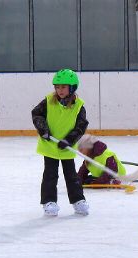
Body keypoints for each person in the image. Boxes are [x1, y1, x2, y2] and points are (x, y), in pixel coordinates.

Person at [32, 69, 89, 216]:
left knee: (71, 175)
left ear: (72, 88)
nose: (59, 90)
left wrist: (69, 140)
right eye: (57, 87)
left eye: (63, 87)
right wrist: (43, 129)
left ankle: (78, 201)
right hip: (50, 145)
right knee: (50, 174)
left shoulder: (78, 106)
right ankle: (49, 202)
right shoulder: (48, 100)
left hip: (66, 147)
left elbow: (81, 125)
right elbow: (36, 114)